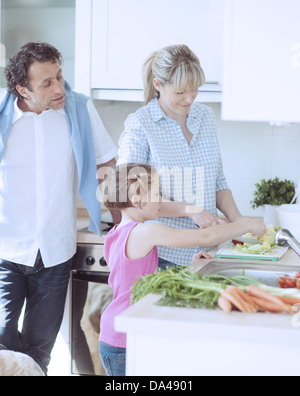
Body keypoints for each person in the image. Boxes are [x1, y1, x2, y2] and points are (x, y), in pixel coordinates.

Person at [0, 42, 118, 374]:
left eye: (60, 76)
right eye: (47, 82)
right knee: (1, 347)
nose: (59, 87)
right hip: (6, 250)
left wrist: (123, 222)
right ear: (23, 89)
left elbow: (105, 161)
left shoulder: (79, 108)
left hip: (55, 250)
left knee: (40, 349)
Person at [98, 163, 266, 376]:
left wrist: (189, 269)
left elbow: (136, 277)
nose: (161, 200)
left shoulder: (116, 232)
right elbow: (206, 237)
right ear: (138, 200)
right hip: (124, 339)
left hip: (117, 332)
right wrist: (246, 225)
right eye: (156, 193)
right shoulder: (144, 233)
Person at [117, 44, 251, 268]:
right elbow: (132, 196)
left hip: (207, 254)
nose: (189, 99)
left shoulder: (205, 117)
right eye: (180, 92)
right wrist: (191, 211)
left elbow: (217, 181)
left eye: (194, 89)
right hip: (162, 257)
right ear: (158, 84)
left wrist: (239, 222)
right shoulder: (141, 124)